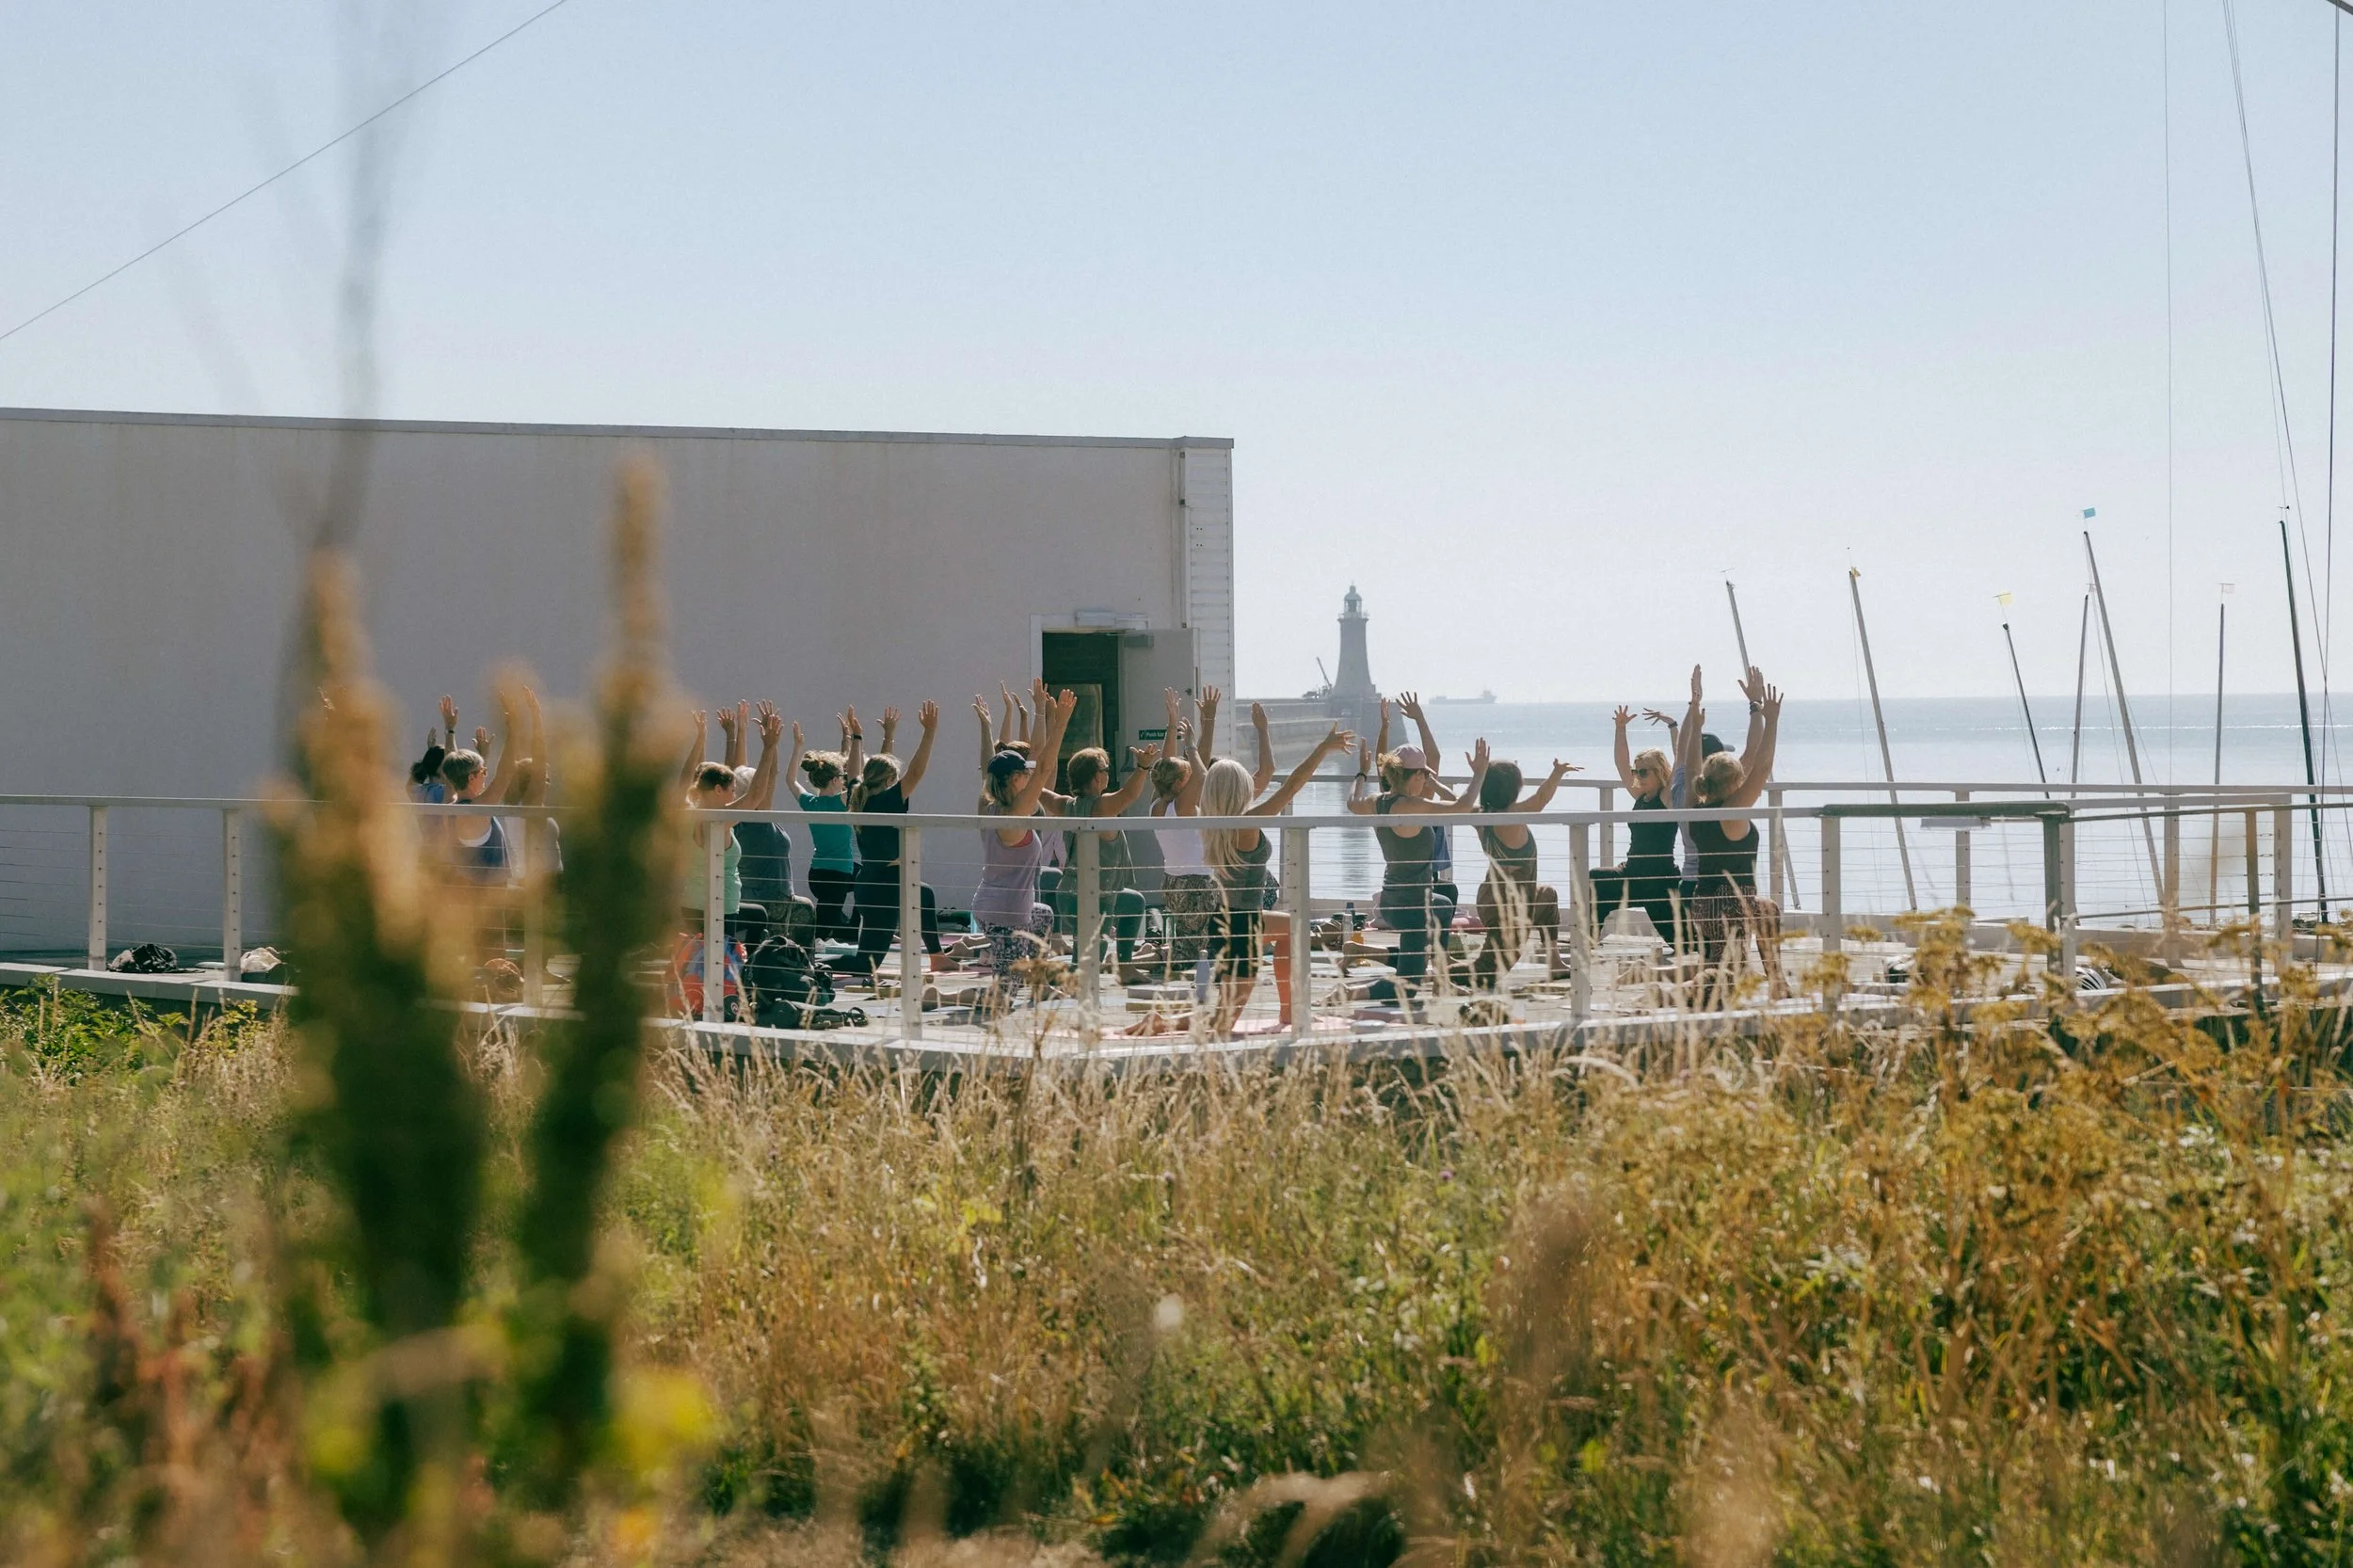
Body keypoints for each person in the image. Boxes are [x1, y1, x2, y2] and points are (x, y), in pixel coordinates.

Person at [1199, 723, 1355, 1032]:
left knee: (1292, 929)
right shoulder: (1246, 823)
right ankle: (1161, 1022)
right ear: (1238, 790)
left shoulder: (1215, 821)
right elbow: (1292, 786)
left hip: (1229, 918)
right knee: (1221, 1025)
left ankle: (1290, 1012)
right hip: (1243, 923)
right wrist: (1322, 749)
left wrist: (1200, 735)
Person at [1347, 736, 1493, 993]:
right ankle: (1353, 992)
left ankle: (1441, 980)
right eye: (1424, 776)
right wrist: (1479, 774)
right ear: (1414, 776)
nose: (1426, 782)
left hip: (1394, 900)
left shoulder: (1378, 802)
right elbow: (1463, 806)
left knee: (1444, 905)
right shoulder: (1410, 805)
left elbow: (1351, 803)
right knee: (1409, 988)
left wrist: (1361, 772)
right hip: (1412, 909)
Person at [1678, 674, 1787, 1000]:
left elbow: (1693, 764)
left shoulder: (1697, 803)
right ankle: (1659, 993)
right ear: (1734, 782)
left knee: (1767, 911)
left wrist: (1697, 727)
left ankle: (1778, 984)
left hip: (1706, 900)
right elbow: (1762, 765)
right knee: (1723, 980)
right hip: (1730, 904)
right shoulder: (1731, 811)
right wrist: (1772, 721)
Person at [971, 684, 1079, 1008]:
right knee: (1003, 997)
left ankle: (1040, 983)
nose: (1028, 778)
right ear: (1012, 780)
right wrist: (1060, 722)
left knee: (1043, 914)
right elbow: (1044, 769)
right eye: (1022, 774)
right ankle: (942, 996)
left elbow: (986, 765)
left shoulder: (987, 806)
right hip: (1002, 914)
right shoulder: (1013, 815)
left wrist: (987, 727)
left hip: (1005, 907)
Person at [847, 701, 943, 974]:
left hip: (870, 883)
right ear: (889, 780)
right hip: (884, 886)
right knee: (865, 966)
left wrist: (861, 738)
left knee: (866, 962)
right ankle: (810, 967)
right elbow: (916, 772)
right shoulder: (887, 800)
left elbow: (853, 773)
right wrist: (930, 732)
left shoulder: (859, 796)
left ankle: (937, 955)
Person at [680, 702, 784, 947]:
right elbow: (755, 796)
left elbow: (685, 780)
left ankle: (740, 972)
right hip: (718, 905)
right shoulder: (718, 820)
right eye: (732, 789)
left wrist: (700, 739)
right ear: (718, 790)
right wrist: (769, 748)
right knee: (714, 965)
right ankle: (741, 977)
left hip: (692, 903)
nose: (735, 794)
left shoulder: (688, 811)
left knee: (702, 958)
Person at [1469, 757, 1577, 987]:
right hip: (1509, 908)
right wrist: (1557, 773)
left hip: (1494, 898)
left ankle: (1555, 962)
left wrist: (1473, 777)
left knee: (1547, 896)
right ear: (1512, 789)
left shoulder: (1480, 814)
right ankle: (1441, 975)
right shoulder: (1510, 817)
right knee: (1487, 973)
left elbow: (1455, 803)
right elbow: (1540, 801)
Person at [1050, 739, 1157, 970]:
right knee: (1087, 967)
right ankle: (1059, 989)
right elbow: (1129, 794)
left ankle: (1125, 968)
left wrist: (1027, 777)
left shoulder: (1067, 805)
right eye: (1106, 769)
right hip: (1093, 899)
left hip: (1072, 892)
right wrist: (1143, 768)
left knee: (1134, 902)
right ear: (1097, 777)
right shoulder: (1101, 807)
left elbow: (1041, 793)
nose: (1108, 774)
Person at [1587, 705, 1680, 938]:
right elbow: (1621, 763)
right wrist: (1620, 729)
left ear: (1659, 772)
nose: (1637, 776)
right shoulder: (1641, 797)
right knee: (1595, 879)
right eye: (1636, 772)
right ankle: (1587, 941)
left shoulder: (1666, 797)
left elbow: (1681, 765)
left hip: (1658, 880)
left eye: (1643, 772)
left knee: (1685, 943)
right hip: (1632, 871)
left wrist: (1673, 726)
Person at [1146, 695, 1219, 978]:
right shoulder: (1183, 808)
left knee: (1186, 940)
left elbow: (1165, 763)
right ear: (1179, 784)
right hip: (1195, 884)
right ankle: (1191, 980)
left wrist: (1173, 724)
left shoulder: (1157, 804)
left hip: (1172, 881)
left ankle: (1174, 964)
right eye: (1185, 778)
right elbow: (1202, 775)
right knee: (1197, 945)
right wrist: (1197, 735)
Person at [798, 730, 858, 942]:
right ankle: (821, 940)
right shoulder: (840, 802)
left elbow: (790, 781)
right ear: (835, 780)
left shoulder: (810, 802)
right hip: (838, 872)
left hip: (816, 873)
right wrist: (856, 740)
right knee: (868, 882)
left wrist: (797, 747)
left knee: (830, 907)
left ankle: (837, 932)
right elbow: (854, 781)